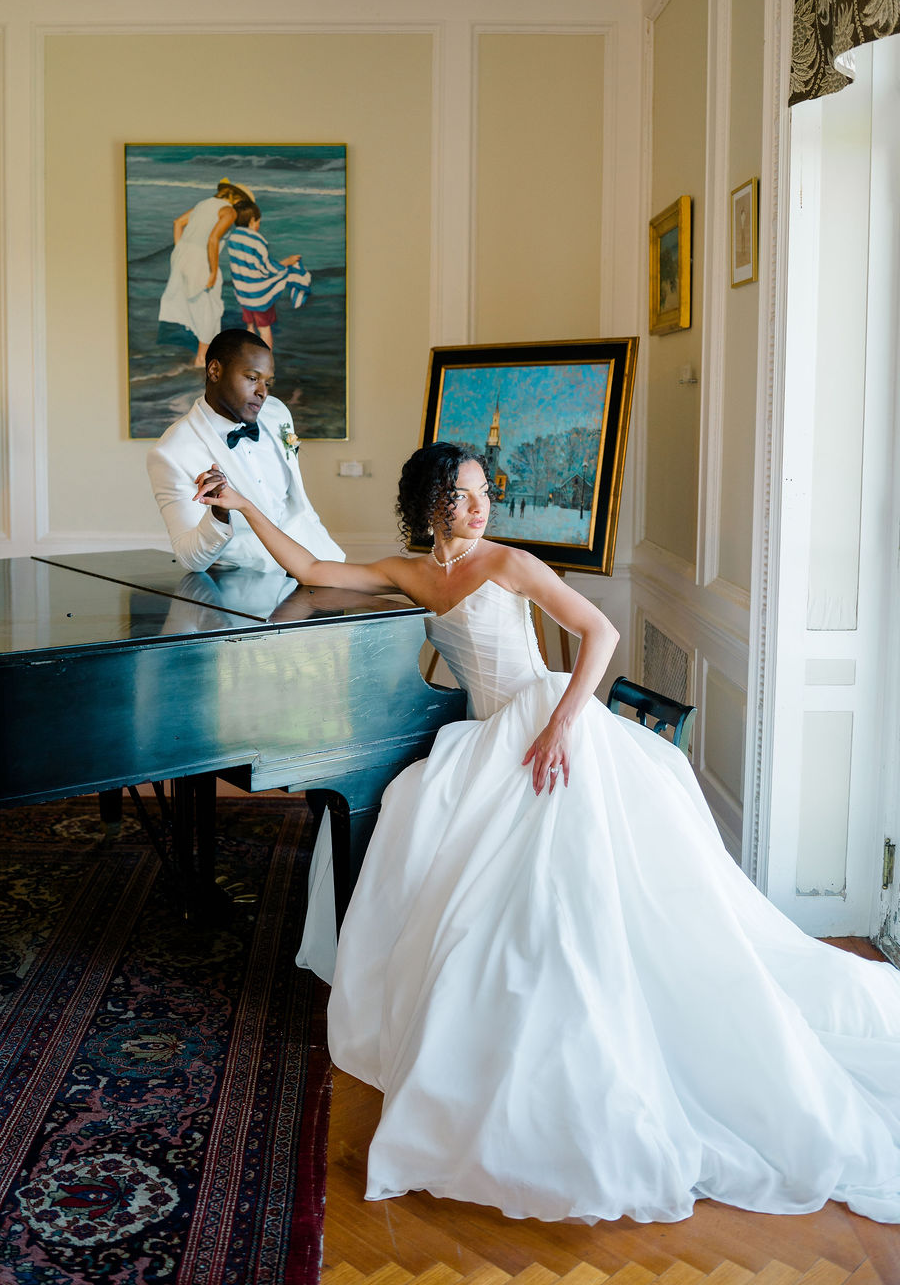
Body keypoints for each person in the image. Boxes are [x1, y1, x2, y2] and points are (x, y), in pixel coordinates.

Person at [204, 440, 900, 1227]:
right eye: (461, 497)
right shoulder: (415, 572)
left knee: (556, 895)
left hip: (543, 726)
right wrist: (245, 505)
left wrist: (563, 727)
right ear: (428, 505)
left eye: (482, 495)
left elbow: (598, 633)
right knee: (413, 819)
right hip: (479, 741)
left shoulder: (509, 564)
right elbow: (314, 571)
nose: (477, 508)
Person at [146, 327, 344, 573]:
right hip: (251, 586)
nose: (263, 392)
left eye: (267, 382)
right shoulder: (171, 452)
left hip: (319, 563)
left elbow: (297, 502)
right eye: (252, 378)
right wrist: (218, 512)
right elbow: (190, 559)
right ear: (215, 370)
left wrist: (330, 563)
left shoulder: (276, 412)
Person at [158, 179, 253, 368]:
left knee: (196, 304)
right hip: (202, 260)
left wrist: (181, 253)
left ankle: (201, 356)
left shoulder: (203, 204)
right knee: (210, 308)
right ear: (236, 197)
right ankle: (202, 359)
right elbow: (213, 239)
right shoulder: (229, 211)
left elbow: (178, 223)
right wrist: (212, 271)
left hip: (182, 256)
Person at [224, 200, 310, 352]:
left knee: (250, 325)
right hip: (259, 294)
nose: (258, 224)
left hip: (243, 292)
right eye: (258, 221)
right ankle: (265, 362)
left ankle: (249, 357)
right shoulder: (258, 241)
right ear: (252, 221)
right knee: (265, 329)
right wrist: (286, 263)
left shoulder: (232, 238)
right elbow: (265, 269)